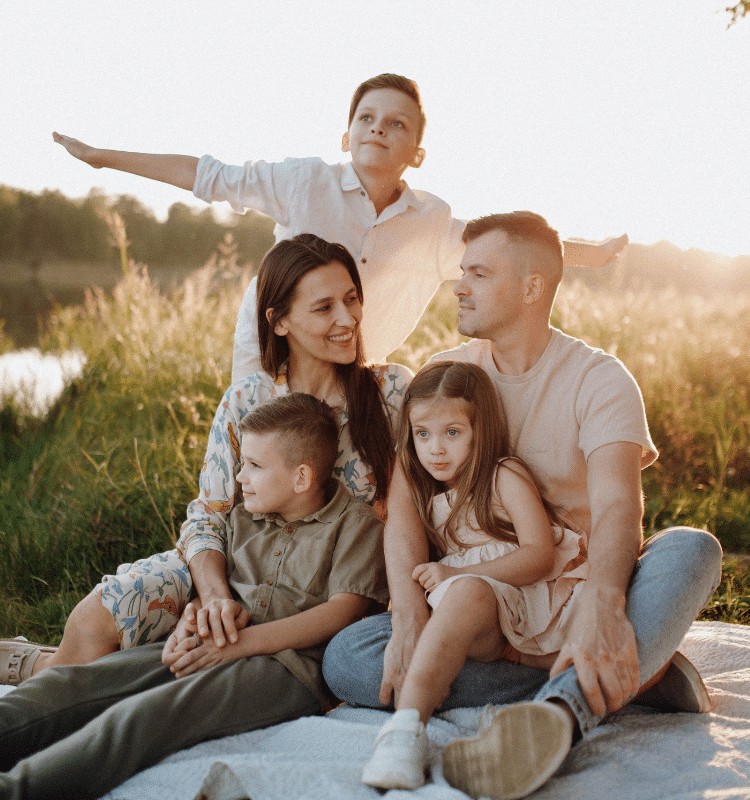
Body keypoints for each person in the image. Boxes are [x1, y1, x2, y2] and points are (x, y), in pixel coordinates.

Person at [323, 211, 723, 800]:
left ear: (532, 287)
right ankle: (633, 671)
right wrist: (407, 612)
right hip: (483, 601)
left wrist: (606, 604)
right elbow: (405, 507)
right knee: (348, 659)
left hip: (573, 585)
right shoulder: (447, 376)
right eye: (462, 271)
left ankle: (561, 711)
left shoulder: (599, 379)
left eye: (478, 274)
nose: (459, 286)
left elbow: (619, 508)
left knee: (692, 550)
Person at [0, 234, 411, 683]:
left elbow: (420, 504)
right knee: (96, 619)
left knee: (126, 672)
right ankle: (37, 666)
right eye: (324, 307)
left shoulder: (391, 393)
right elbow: (208, 516)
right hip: (237, 567)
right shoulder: (246, 400)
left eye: (352, 300)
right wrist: (214, 597)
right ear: (279, 322)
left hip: (329, 585)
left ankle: (39, 669)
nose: (347, 318)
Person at [52, 73, 628, 385]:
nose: (379, 128)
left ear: (417, 152)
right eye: (366, 118)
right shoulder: (303, 181)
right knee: (261, 455)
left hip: (357, 364)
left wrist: (590, 254)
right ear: (346, 136)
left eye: (396, 123)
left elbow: (507, 248)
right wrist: (103, 157)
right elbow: (207, 175)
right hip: (272, 347)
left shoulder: (431, 220)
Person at [0, 391, 388, 800]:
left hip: (287, 670)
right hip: (215, 642)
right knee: (77, 683)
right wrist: (193, 620)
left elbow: (341, 613)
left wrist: (239, 647)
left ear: (302, 478)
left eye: (254, 466)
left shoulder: (355, 526)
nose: (239, 478)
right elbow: (218, 593)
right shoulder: (246, 517)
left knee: (147, 715)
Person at [361, 361, 589, 791]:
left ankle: (406, 727)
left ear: (480, 430)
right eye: (422, 434)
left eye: (452, 433)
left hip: (536, 601)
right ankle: (407, 728)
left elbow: (539, 555)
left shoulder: (504, 475)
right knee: (352, 653)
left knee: (464, 592)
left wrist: (457, 571)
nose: (436, 450)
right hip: (491, 629)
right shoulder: (428, 493)